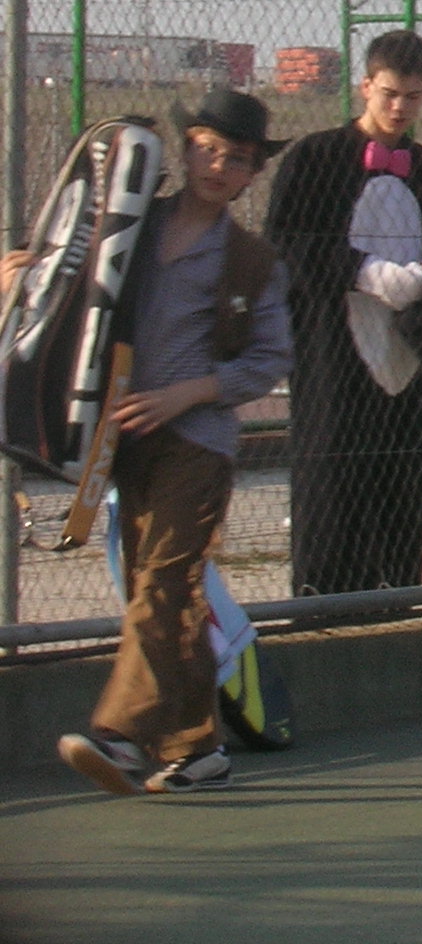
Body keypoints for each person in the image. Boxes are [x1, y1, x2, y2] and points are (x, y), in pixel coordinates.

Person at [43, 87, 292, 795]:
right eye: (207, 149)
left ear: (253, 173)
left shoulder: (251, 260)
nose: (218, 166)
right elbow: (71, 278)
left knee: (162, 581)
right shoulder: (132, 224)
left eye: (236, 159)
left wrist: (191, 392)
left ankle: (119, 736)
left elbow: (270, 359)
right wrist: (23, 270)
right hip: (124, 439)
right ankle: (199, 749)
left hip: (198, 443)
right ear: (184, 150)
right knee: (165, 593)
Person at [269, 29, 422, 594]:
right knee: (332, 471)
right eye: (389, 93)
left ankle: (398, 594)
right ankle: (322, 602)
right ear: (365, 86)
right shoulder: (315, 159)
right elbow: (287, 241)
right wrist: (364, 273)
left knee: (401, 473)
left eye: (413, 97)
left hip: (405, 356)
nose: (399, 108)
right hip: (331, 353)